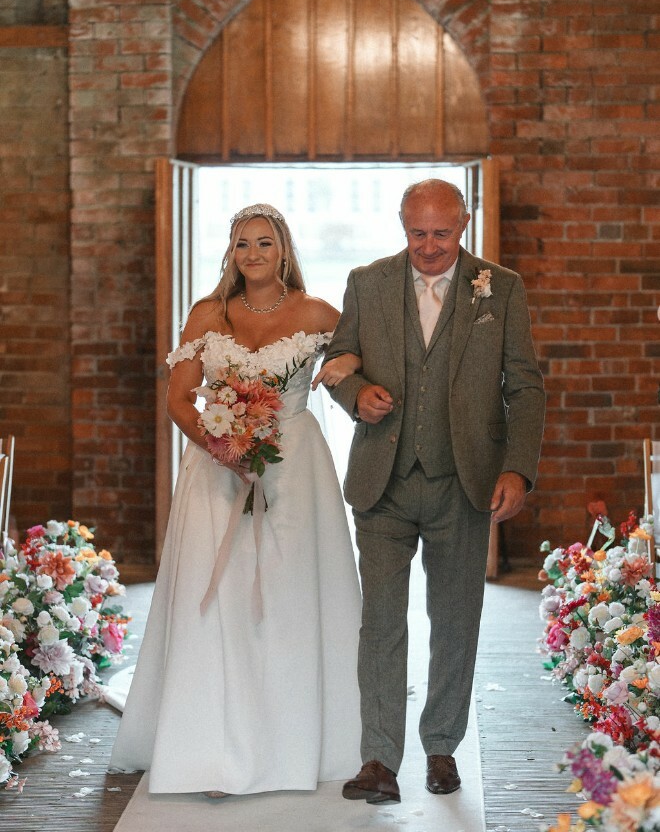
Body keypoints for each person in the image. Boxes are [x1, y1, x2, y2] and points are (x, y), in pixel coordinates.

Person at [110, 203, 362, 796]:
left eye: (264, 242)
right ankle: (211, 748)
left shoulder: (317, 312)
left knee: (287, 595)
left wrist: (348, 358)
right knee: (216, 595)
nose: (253, 254)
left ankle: (293, 740)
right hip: (216, 471)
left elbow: (362, 355)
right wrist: (221, 446)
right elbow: (179, 400)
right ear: (231, 252)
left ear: (284, 250)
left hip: (296, 470)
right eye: (242, 243)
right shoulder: (207, 314)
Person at [319, 178, 545, 805]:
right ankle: (378, 759)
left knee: (454, 620)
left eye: (441, 233)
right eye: (416, 232)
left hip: (464, 482)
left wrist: (517, 469)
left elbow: (525, 387)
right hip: (383, 481)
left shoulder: (501, 288)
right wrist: (355, 394)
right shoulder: (367, 282)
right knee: (380, 623)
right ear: (402, 225)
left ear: (463, 224)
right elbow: (338, 360)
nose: (428, 246)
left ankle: (442, 746)